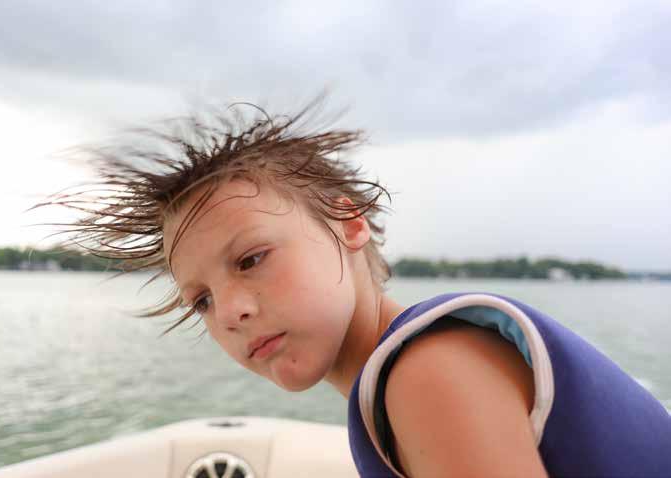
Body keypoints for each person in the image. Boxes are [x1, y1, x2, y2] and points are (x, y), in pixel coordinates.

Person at [37, 97, 671, 477]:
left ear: (349, 223)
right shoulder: (400, 380)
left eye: (251, 259)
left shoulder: (428, 371)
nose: (229, 312)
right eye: (200, 299)